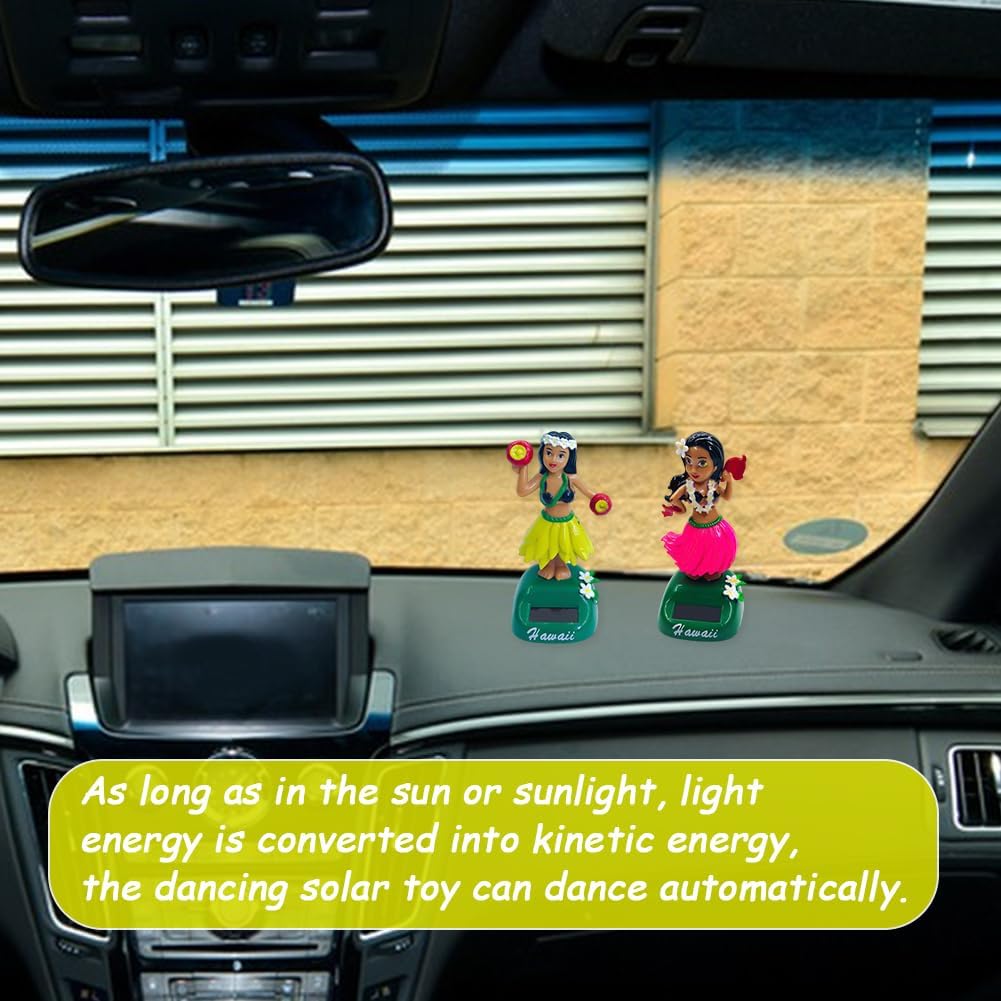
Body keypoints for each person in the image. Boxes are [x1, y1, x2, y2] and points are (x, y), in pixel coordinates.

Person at [512, 431, 606, 581]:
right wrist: (523, 468)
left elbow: (590, 494)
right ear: (542, 453)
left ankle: (562, 565)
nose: (553, 459)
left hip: (566, 522)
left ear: (569, 458)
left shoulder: (570, 478)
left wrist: (600, 502)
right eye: (549, 453)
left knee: (563, 544)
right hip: (547, 522)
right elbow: (522, 491)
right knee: (549, 544)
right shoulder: (542, 478)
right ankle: (549, 565)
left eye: (561, 455)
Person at [662, 430, 744, 581]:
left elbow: (727, 496)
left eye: (702, 463)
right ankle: (697, 569)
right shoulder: (687, 486)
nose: (693, 469)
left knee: (713, 554)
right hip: (695, 528)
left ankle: (711, 569)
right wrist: (679, 508)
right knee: (695, 555)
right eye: (689, 461)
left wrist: (729, 481)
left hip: (715, 527)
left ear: (715, 466)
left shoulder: (713, 485)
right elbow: (674, 498)